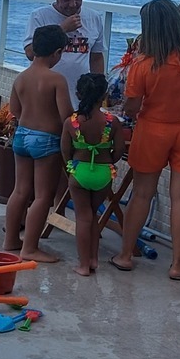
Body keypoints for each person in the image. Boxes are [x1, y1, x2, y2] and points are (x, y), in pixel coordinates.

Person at [109, 0, 180, 279]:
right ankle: (177, 265)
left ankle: (125, 256)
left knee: (142, 193)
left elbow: (132, 107)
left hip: (155, 129)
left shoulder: (145, 63)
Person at [3, 25, 73, 263]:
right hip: (46, 140)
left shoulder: (21, 78)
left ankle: (11, 239)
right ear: (57, 53)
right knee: (43, 195)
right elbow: (66, 115)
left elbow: (14, 111)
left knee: (20, 190)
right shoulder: (56, 79)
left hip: (22, 136)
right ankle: (30, 248)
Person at [61, 73, 120, 277]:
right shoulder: (113, 122)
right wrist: (107, 158)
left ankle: (83, 265)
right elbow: (119, 152)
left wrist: (71, 166)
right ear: (103, 95)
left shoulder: (72, 122)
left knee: (83, 218)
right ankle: (94, 259)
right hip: (104, 172)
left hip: (80, 171)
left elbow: (65, 150)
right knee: (93, 216)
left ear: (78, 94)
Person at [23, 0, 106, 90]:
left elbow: (96, 57)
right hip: (45, 93)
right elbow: (30, 53)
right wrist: (61, 30)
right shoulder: (39, 16)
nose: (73, 4)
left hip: (80, 95)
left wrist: (98, 90)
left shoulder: (94, 18)